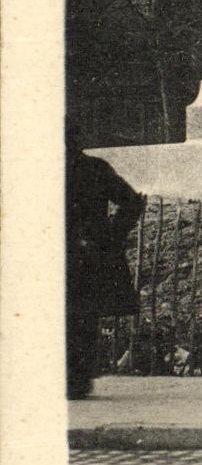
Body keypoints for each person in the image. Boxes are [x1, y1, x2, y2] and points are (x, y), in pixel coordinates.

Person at [66, 135, 145, 399]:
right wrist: (112, 234)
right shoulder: (93, 168)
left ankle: (75, 381)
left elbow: (131, 201)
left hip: (81, 256)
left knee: (79, 317)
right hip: (72, 253)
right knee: (79, 318)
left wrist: (110, 235)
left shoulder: (93, 170)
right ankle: (73, 381)